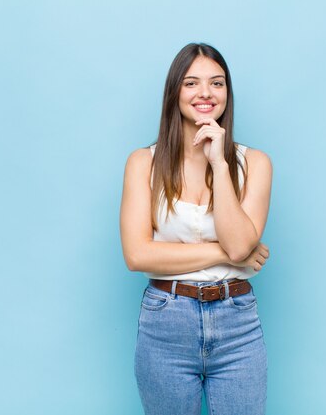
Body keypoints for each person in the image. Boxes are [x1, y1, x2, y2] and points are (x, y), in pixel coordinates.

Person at [119, 42, 273, 415]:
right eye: (192, 83)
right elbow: (138, 255)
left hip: (237, 322)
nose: (205, 93)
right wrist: (227, 252)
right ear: (175, 92)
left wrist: (219, 165)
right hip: (165, 321)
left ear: (226, 94)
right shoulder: (144, 163)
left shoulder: (254, 163)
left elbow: (239, 247)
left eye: (216, 83)